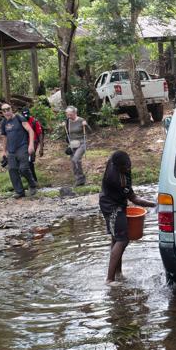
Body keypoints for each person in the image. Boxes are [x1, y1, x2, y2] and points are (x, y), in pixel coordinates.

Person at [100, 150, 157, 283]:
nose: (129, 168)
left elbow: (116, 155)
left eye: (129, 164)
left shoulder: (114, 161)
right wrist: (154, 204)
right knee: (122, 240)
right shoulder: (118, 180)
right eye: (126, 167)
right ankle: (109, 280)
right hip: (112, 207)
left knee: (116, 238)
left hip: (112, 201)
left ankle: (118, 273)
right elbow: (134, 199)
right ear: (118, 167)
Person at [0, 103, 38, 198]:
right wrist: (4, 151)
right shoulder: (4, 122)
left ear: (11, 109)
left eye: (8, 109)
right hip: (11, 150)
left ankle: (32, 184)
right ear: (2, 112)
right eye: (4, 111)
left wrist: (31, 145)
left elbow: (30, 131)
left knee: (23, 168)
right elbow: (4, 137)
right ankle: (20, 191)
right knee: (12, 170)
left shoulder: (19, 118)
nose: (7, 112)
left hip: (22, 147)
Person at [64, 106, 90, 186]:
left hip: (82, 143)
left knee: (76, 159)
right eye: (67, 115)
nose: (69, 116)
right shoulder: (68, 121)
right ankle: (79, 179)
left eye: (70, 115)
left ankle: (81, 178)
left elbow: (89, 131)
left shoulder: (81, 120)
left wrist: (86, 125)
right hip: (72, 144)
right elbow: (67, 134)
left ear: (75, 113)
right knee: (73, 162)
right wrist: (63, 126)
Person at [21, 107, 44, 182]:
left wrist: (41, 148)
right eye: (24, 115)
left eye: (27, 114)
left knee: (30, 160)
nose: (26, 116)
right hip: (24, 143)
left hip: (34, 142)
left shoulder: (34, 121)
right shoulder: (20, 121)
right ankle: (27, 178)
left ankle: (34, 179)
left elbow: (40, 134)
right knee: (24, 160)